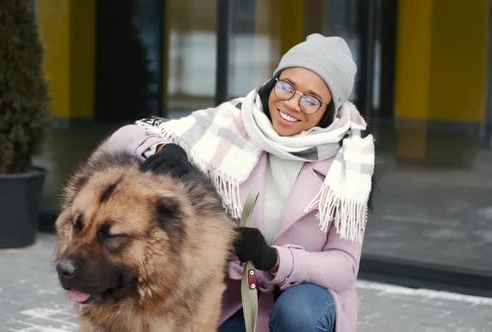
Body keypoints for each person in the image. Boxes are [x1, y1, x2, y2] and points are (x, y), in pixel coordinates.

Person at [108, 33, 375, 332]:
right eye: (287, 86)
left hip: (303, 300)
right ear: (274, 83)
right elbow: (124, 137)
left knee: (298, 314)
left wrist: (274, 260)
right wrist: (166, 150)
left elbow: (344, 267)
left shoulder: (350, 164)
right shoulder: (231, 126)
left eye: (311, 100)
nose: (292, 103)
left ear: (327, 112)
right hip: (235, 299)